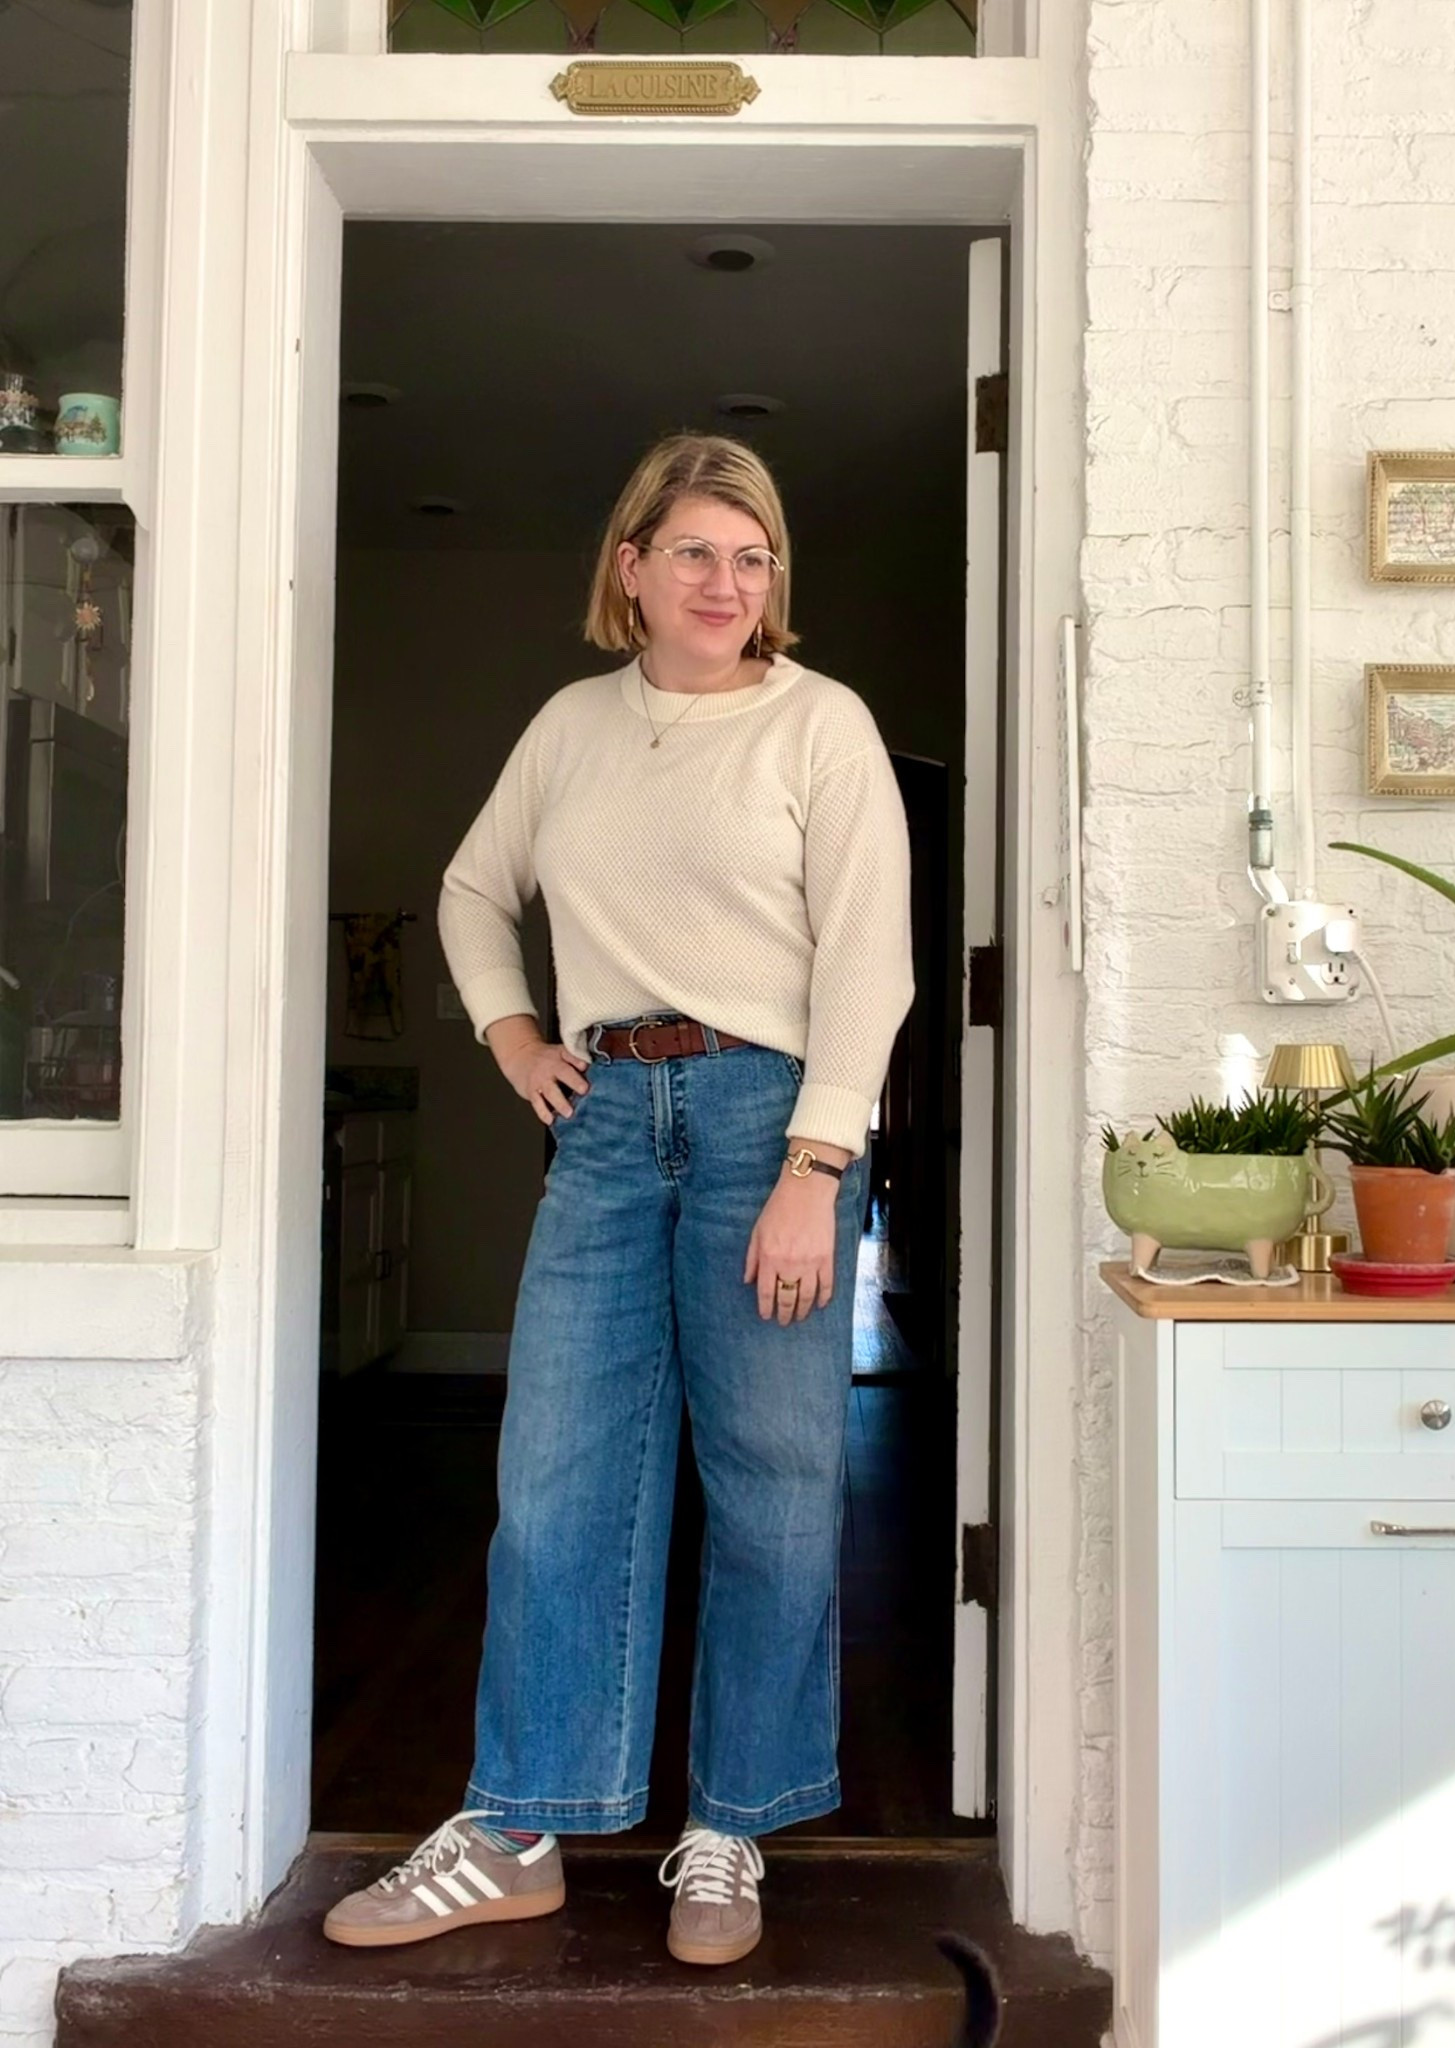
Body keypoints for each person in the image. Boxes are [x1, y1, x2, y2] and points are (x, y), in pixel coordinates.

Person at [323, 432, 914, 1966]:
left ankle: (729, 1828)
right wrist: (511, 1032)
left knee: (776, 1487)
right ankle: (516, 1822)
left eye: (753, 555)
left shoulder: (819, 726)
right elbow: (470, 888)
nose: (727, 581)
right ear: (631, 569)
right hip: (600, 1128)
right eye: (698, 552)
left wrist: (814, 1170)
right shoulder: (572, 728)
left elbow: (869, 960)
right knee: (557, 1477)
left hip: (763, 1125)